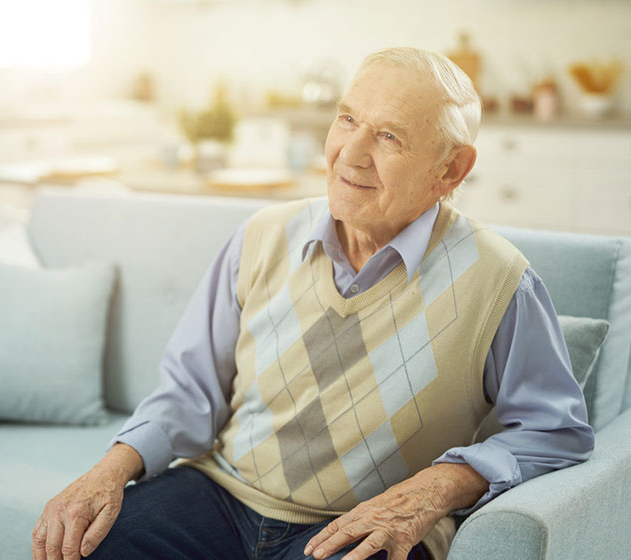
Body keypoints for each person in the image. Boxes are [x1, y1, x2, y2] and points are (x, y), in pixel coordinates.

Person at [31, 47, 594, 560]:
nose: (350, 153)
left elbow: (556, 428)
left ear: (451, 169)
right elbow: (189, 392)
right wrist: (110, 468)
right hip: (221, 495)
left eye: (390, 137)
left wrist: (436, 488)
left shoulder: (498, 279)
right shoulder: (262, 234)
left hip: (360, 527)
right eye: (347, 119)